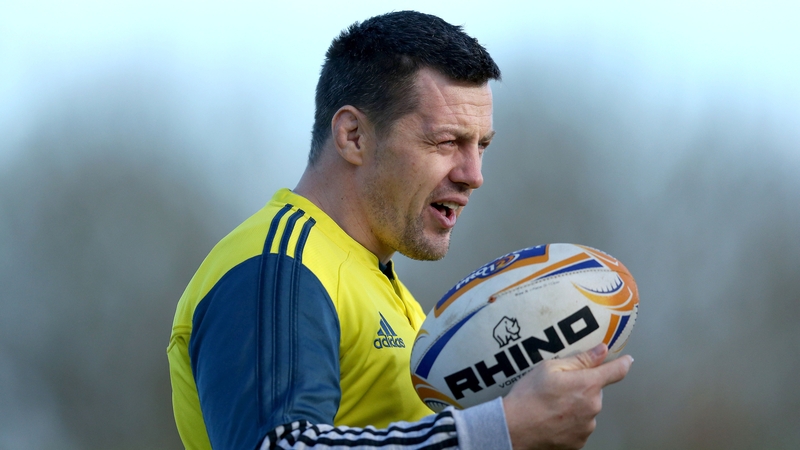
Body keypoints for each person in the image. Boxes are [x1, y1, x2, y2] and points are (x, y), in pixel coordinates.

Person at [167, 10, 633, 450]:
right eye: (447, 141)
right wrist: (501, 429)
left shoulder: (403, 306)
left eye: (482, 145)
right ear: (353, 136)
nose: (474, 173)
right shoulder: (278, 267)